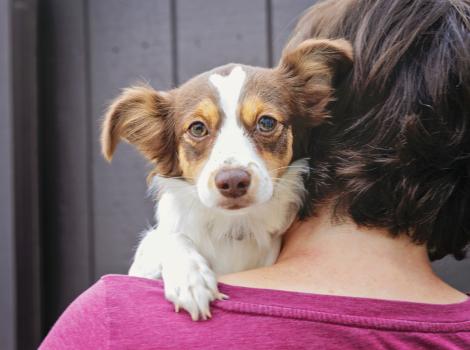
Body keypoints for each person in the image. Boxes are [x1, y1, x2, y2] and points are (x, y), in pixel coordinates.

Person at [40, 0, 470, 348]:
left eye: (265, 124)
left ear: (327, 118)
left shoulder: (114, 321)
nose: (232, 169)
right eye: (198, 130)